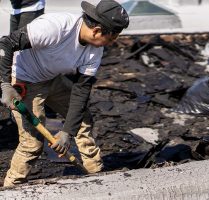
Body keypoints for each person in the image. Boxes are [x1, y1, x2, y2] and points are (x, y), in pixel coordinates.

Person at [0, 0, 129, 187]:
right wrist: (5, 85)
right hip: (23, 78)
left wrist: (67, 132)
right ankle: (12, 187)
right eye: (112, 38)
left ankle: (96, 173)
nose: (111, 43)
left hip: (52, 78)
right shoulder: (55, 27)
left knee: (82, 119)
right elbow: (6, 44)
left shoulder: (94, 51)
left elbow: (81, 92)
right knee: (32, 143)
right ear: (97, 31)